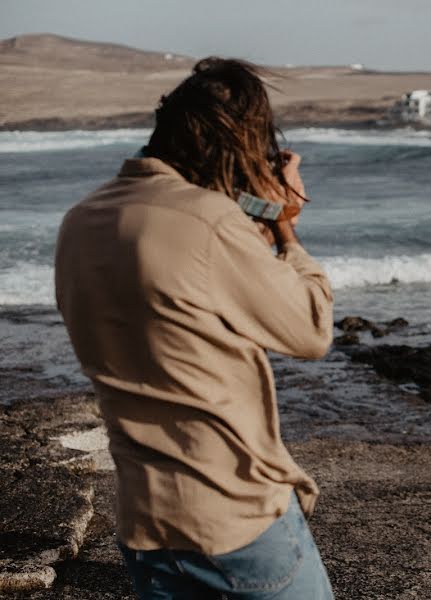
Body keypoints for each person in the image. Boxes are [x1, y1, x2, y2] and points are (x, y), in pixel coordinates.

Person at [55, 58, 335, 599]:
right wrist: (285, 230)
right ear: (237, 145)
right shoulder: (208, 222)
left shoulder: (79, 221)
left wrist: (245, 208)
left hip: (145, 525)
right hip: (234, 520)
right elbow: (312, 328)